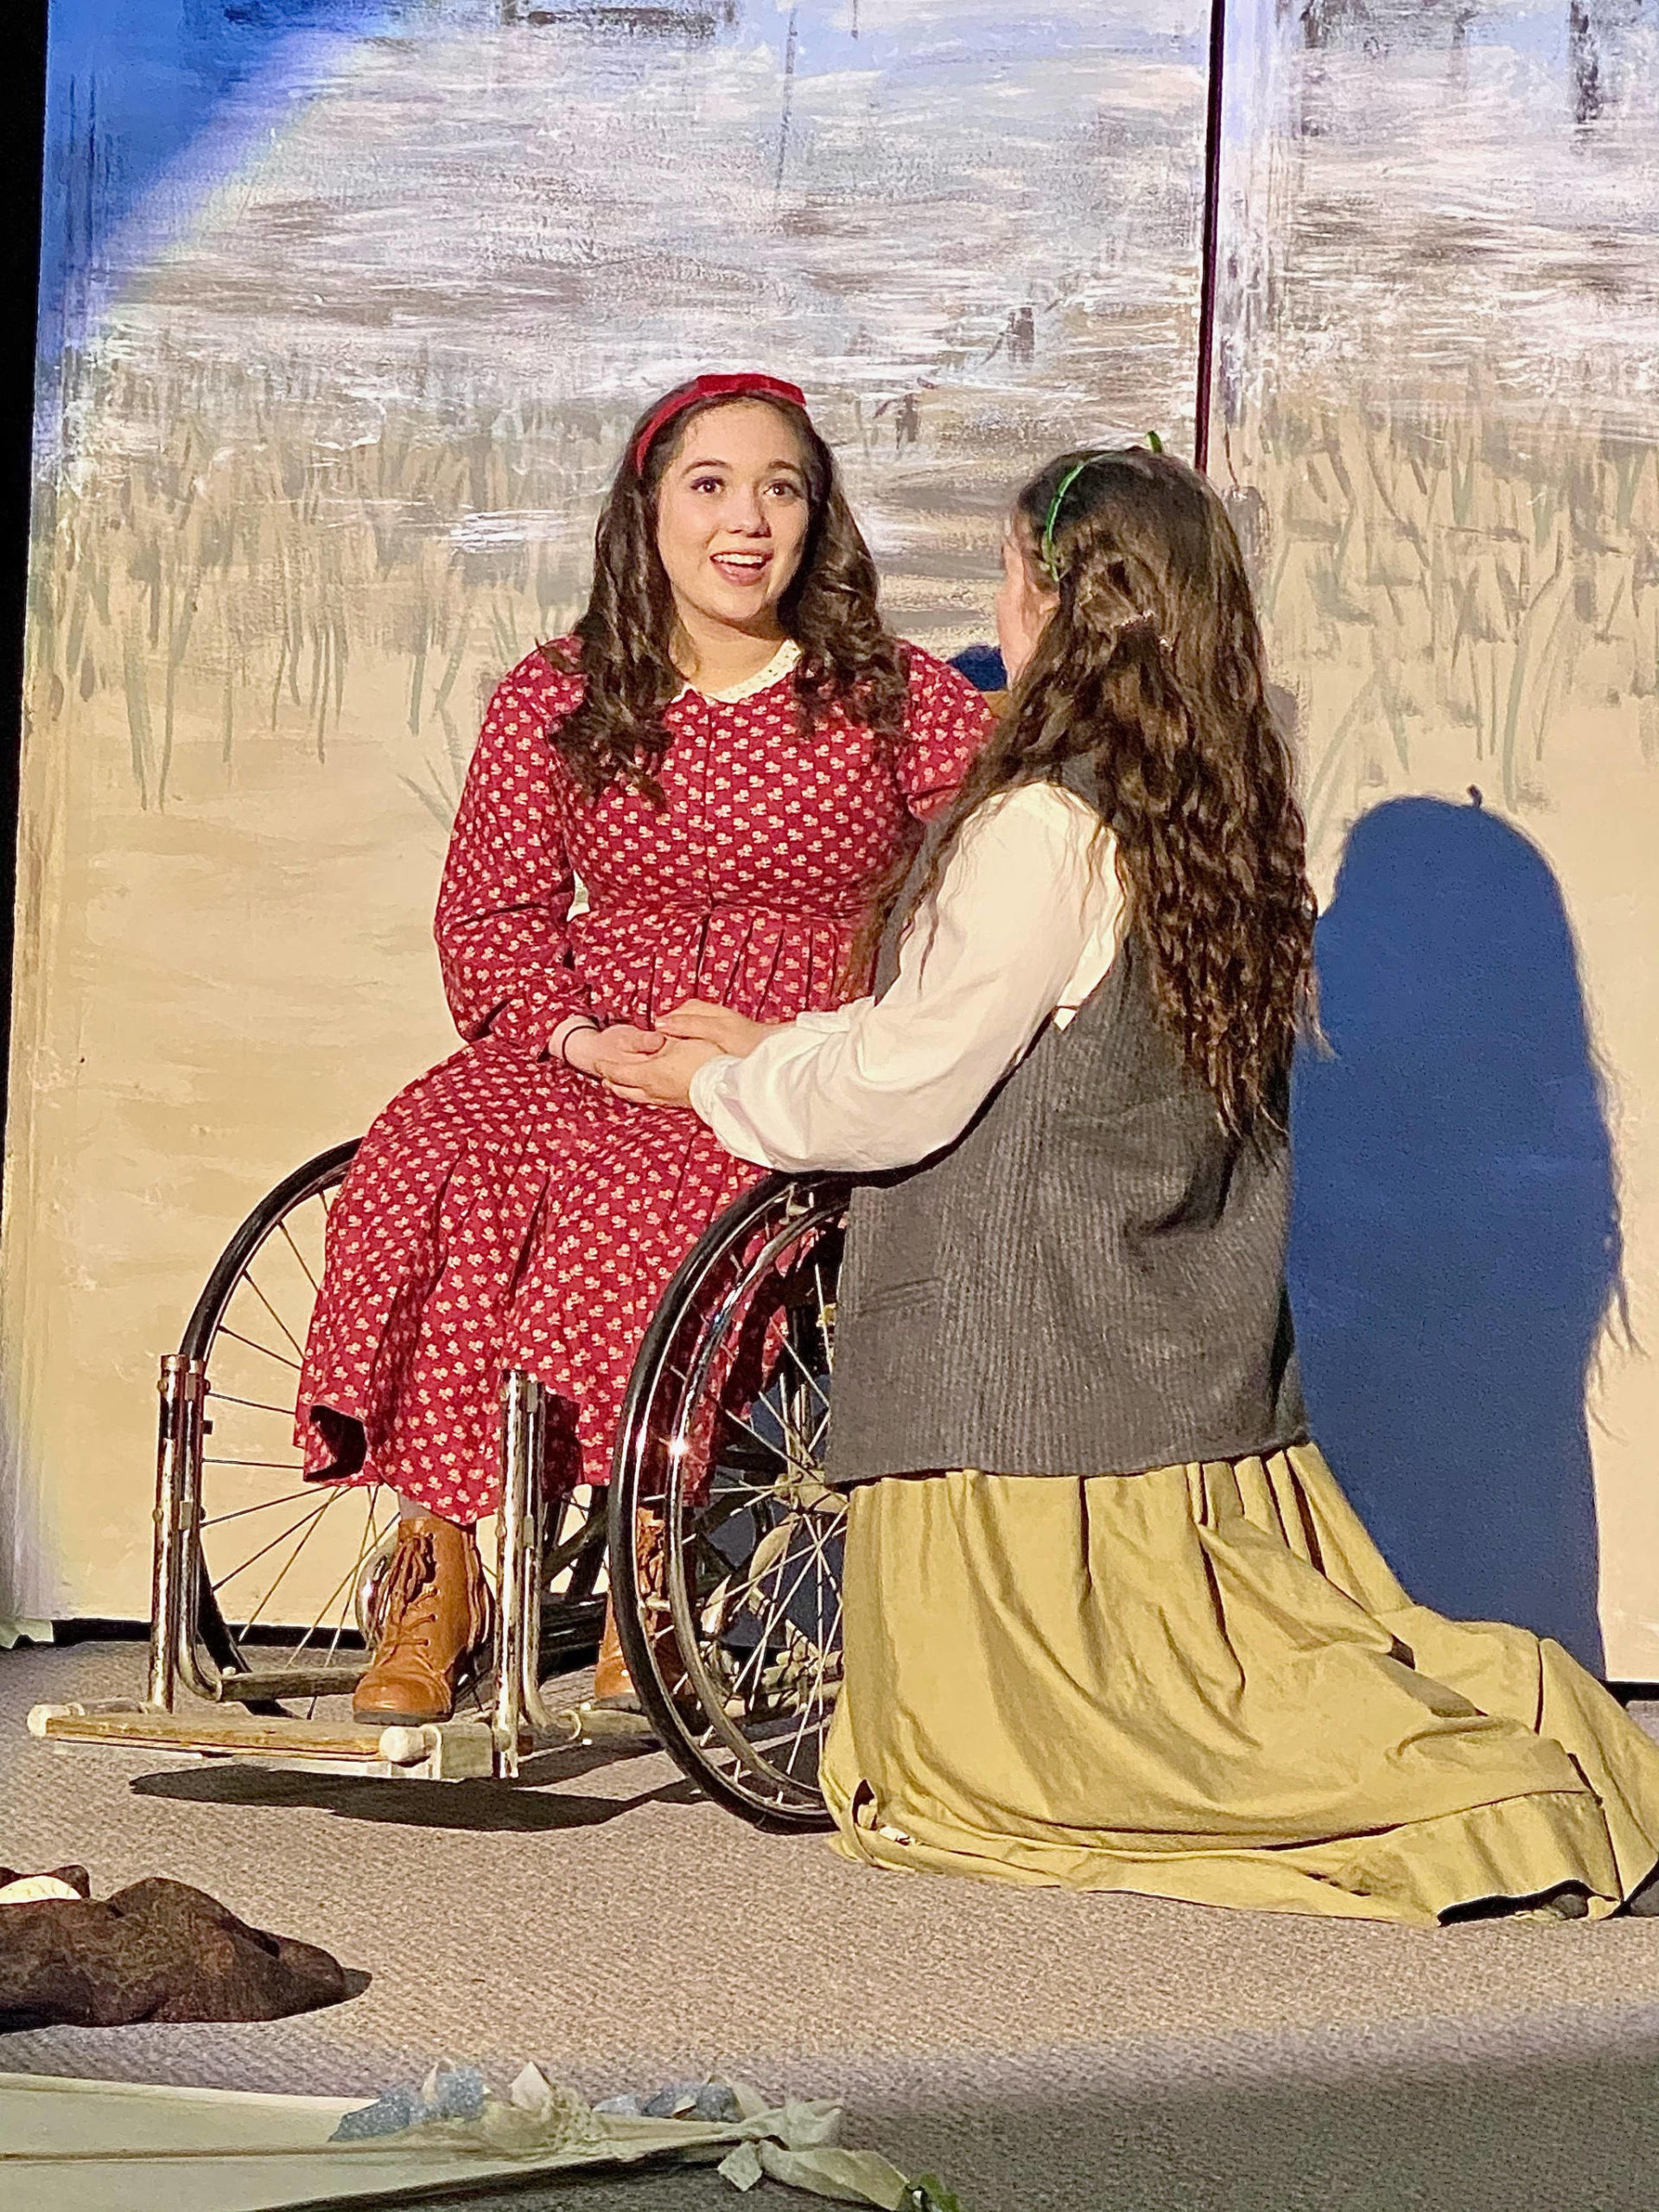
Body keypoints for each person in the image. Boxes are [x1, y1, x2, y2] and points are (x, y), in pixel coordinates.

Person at [609, 445, 1659, 1924]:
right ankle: (1537, 1751)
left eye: (1009, 580)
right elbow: (1010, 1027)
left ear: (1062, 609)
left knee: (1017, 1770)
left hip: (1023, 1397)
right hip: (1172, 1367)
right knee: (1299, 1663)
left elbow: (916, 1079)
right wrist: (790, 1040)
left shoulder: (1041, 823)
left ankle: (1495, 1801)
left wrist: (719, 1083)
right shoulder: (1216, 816)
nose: (998, 612)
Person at [296, 372, 993, 1729]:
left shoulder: (887, 694)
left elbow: (995, 888)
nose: (748, 522)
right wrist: (575, 1033)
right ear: (649, 511)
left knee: (650, 1193)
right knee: (435, 1150)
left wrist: (812, 1041)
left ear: (818, 518)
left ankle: (643, 1559)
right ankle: (439, 1557)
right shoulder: (559, 693)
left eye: (780, 489)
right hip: (588, 1033)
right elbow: (491, 912)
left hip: (780, 1050)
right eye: (712, 487)